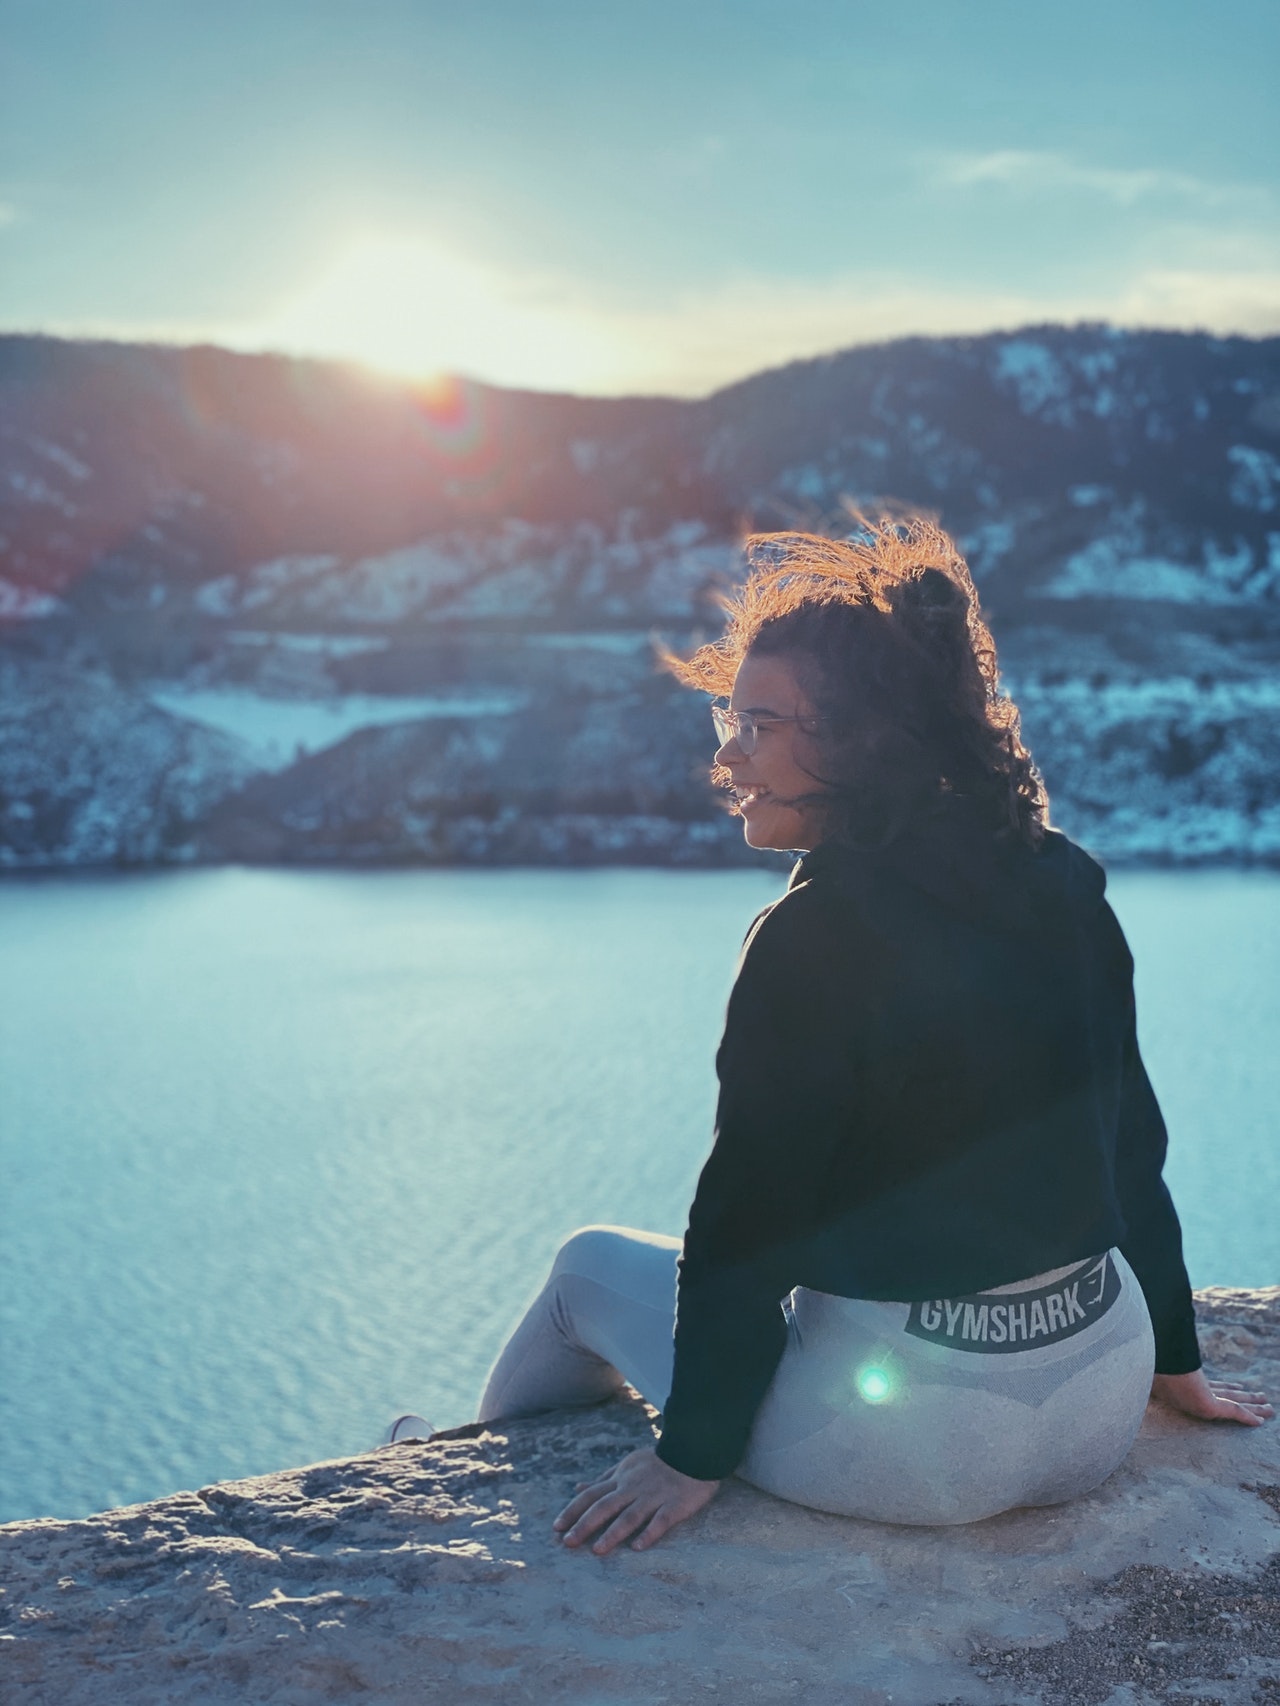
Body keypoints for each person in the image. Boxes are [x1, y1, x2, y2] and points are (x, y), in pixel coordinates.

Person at [473, 518, 1271, 1556]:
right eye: (729, 713)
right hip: (1097, 1398)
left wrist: (691, 1453)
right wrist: (1175, 1358)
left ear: (861, 740)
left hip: (917, 1444)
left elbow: (742, 1226)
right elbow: (1130, 1139)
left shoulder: (811, 937)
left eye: (759, 724)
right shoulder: (1061, 876)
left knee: (584, 1268)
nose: (726, 751)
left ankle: (462, 1481)